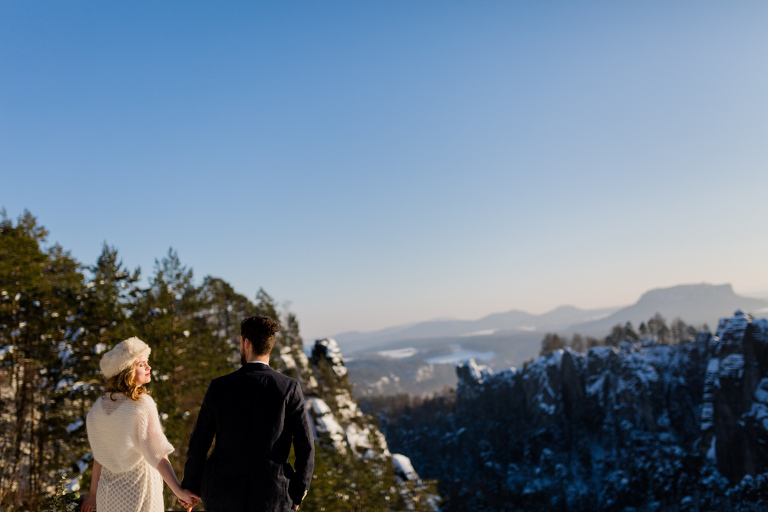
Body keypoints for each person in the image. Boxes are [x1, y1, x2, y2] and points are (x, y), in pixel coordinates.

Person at [180, 315, 315, 512]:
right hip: (273, 497)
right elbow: (305, 446)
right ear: (270, 345)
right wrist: (297, 491)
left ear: (246, 343)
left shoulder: (219, 387)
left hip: (221, 496)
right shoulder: (288, 388)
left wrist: (191, 485)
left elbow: (199, 443)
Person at [80, 337, 200, 512]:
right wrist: (179, 491)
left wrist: (92, 494)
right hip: (138, 492)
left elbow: (100, 456)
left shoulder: (98, 408)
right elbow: (157, 454)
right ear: (127, 370)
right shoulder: (142, 404)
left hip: (107, 494)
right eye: (142, 364)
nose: (149, 367)